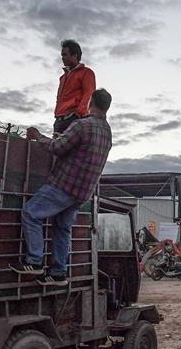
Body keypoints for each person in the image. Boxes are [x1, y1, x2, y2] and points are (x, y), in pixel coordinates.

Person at [10, 88, 113, 286]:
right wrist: (63, 137)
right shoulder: (107, 132)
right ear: (107, 107)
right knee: (62, 228)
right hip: (83, 193)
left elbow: (57, 148)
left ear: (90, 102)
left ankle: (34, 262)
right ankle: (58, 273)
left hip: (65, 185)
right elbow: (81, 150)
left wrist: (39, 136)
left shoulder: (82, 125)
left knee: (31, 213)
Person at [53, 39, 96, 135]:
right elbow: (59, 99)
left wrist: (77, 116)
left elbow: (89, 95)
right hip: (59, 121)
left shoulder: (86, 73)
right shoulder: (63, 77)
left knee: (72, 149)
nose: (62, 58)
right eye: (61, 55)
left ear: (75, 55)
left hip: (73, 120)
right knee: (56, 148)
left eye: (65, 55)